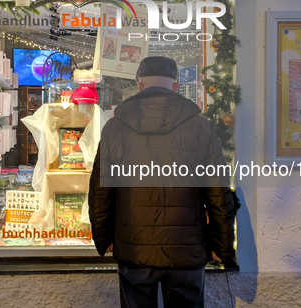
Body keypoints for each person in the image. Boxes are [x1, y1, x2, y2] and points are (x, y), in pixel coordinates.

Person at [89, 56, 236, 308]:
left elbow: (101, 192)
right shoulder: (201, 127)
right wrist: (222, 246)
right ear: (176, 86)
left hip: (134, 247)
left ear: (139, 85)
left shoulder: (115, 128)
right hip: (186, 249)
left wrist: (104, 238)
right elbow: (218, 192)